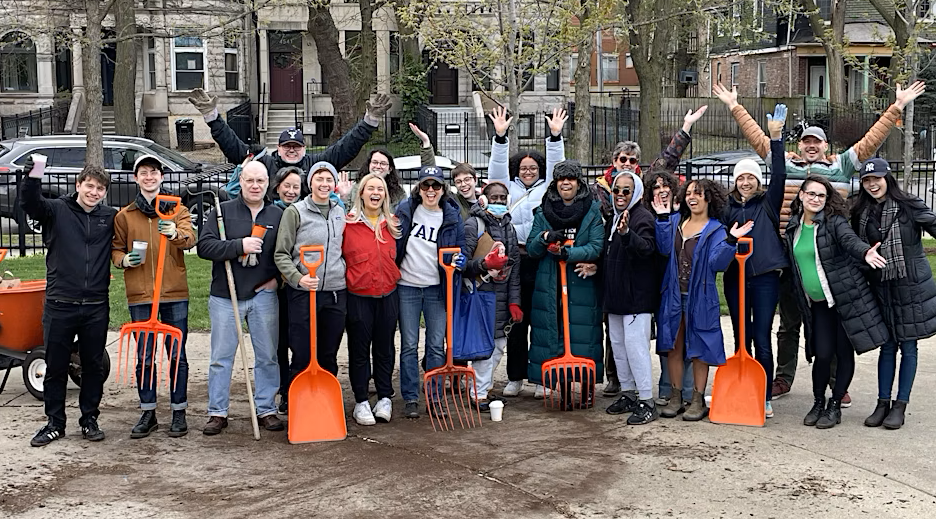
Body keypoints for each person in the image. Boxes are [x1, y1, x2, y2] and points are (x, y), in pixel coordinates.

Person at [713, 81, 926, 405]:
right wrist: (734, 105)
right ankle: (783, 377)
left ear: (826, 145)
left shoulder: (841, 165)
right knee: (788, 322)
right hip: (789, 256)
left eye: (817, 142)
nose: (811, 146)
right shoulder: (785, 164)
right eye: (806, 142)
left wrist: (896, 107)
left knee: (833, 321)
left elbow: (871, 140)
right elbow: (759, 137)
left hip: (830, 258)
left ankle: (836, 383)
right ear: (800, 145)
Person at [590, 107, 707, 397]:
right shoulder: (601, 190)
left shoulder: (643, 196)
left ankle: (653, 391)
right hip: (615, 266)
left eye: (633, 160)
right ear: (614, 162)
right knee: (615, 335)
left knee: (638, 337)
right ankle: (618, 380)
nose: (628, 164)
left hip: (642, 266)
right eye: (622, 159)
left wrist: (685, 128)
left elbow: (669, 159)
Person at [21, 160, 116, 447]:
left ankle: (89, 419)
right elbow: (31, 203)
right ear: (78, 185)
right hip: (60, 303)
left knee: (93, 366)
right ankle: (55, 423)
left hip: (95, 305)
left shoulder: (109, 217)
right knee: (56, 366)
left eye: (100, 189)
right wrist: (33, 174)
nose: (94, 192)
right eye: (90, 186)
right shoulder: (57, 210)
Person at [785, 174, 889, 429]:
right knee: (822, 354)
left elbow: (849, 241)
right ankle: (818, 402)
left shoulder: (834, 222)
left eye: (821, 195)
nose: (816, 199)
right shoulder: (794, 226)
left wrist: (865, 252)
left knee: (843, 353)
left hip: (845, 300)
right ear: (801, 195)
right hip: (818, 304)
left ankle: (835, 405)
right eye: (811, 194)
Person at [651, 179, 753, 421]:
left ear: (709, 198)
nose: (691, 197)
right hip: (673, 295)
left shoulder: (716, 229)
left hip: (701, 297)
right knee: (673, 346)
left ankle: (697, 399)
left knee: (699, 349)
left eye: (697, 193)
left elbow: (717, 263)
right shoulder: (675, 221)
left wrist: (731, 241)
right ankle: (675, 397)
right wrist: (663, 219)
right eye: (688, 193)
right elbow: (663, 249)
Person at [112, 155, 197, 438]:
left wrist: (174, 233)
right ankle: (148, 412)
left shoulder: (177, 209)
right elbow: (115, 249)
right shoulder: (124, 216)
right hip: (141, 294)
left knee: (177, 356)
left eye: (154, 172)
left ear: (161, 176)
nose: (149, 177)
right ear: (135, 178)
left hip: (173, 292)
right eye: (143, 173)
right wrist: (124, 260)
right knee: (145, 356)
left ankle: (179, 411)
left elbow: (190, 238)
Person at [197, 161, 284, 435]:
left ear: (268, 183)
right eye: (249, 180)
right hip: (226, 295)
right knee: (221, 357)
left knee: (267, 355)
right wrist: (239, 246)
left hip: (263, 295)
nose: (255, 186)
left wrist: (278, 280)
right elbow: (204, 246)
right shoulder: (223, 212)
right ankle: (217, 412)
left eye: (260, 181)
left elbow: (287, 252)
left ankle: (266, 409)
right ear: (241, 182)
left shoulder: (277, 215)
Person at [487, 106, 567, 398]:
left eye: (533, 168)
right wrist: (500, 137)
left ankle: (543, 378)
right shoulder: (507, 189)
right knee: (516, 320)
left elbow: (558, 166)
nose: (529, 171)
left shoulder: (548, 189)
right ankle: (516, 376)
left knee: (544, 320)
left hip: (542, 259)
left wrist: (554, 137)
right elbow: (496, 170)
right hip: (515, 261)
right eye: (523, 168)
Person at [851, 159, 936, 430]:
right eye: (866, 180)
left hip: (911, 286)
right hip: (880, 285)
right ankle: (882, 403)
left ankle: (900, 405)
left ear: (887, 178)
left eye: (876, 178)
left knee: (908, 346)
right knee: (886, 345)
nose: (872, 184)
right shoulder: (861, 210)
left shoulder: (909, 205)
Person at [720, 104, 789, 418]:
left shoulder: (768, 203)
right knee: (740, 334)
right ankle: (741, 387)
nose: (745, 182)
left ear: (758, 181)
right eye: (740, 178)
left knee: (761, 336)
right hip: (735, 277)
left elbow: (781, 173)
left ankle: (764, 395)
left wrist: (776, 139)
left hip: (763, 277)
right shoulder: (727, 208)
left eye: (750, 177)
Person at [187, 87, 391, 189]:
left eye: (296, 146)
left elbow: (347, 146)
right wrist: (212, 117)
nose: (292, 150)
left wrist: (369, 121)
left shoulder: (316, 165)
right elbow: (233, 147)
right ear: (278, 147)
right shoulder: (263, 163)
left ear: (304, 148)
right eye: (287, 146)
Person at [527, 160, 604, 407]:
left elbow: (596, 246)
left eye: (570, 179)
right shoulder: (544, 211)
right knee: (556, 333)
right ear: (555, 183)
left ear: (578, 182)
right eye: (561, 179)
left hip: (581, 282)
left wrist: (568, 254)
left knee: (584, 333)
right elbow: (532, 248)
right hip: (550, 282)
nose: (566, 183)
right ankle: (564, 388)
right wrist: (545, 237)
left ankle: (587, 386)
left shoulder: (592, 211)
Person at [274, 162, 347, 413]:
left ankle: (325, 405)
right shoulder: (295, 212)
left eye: (329, 179)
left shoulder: (339, 211)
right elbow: (281, 254)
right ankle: (295, 402)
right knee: (303, 352)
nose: (324, 184)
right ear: (310, 183)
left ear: (334, 184)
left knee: (328, 353)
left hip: (335, 292)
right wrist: (298, 278)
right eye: (319, 179)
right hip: (303, 293)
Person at [394, 166, 466, 418]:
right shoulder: (405, 211)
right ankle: (411, 398)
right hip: (407, 286)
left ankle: (434, 397)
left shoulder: (451, 216)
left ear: (443, 189)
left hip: (437, 287)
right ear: (419, 188)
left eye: (436, 185)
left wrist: (461, 261)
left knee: (436, 345)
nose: (431, 190)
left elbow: (461, 248)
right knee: (409, 344)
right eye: (426, 185)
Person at [600, 170, 660, 424]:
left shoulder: (642, 217)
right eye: (616, 190)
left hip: (636, 296)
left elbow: (647, 249)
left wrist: (627, 235)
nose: (620, 195)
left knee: (636, 349)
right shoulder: (614, 218)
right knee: (619, 347)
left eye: (627, 190)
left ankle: (646, 400)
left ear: (636, 192)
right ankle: (628, 392)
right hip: (616, 296)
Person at [342, 173, 402, 424]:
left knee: (385, 348)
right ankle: (361, 401)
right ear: (361, 193)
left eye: (380, 189)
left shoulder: (393, 224)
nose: (375, 193)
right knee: (359, 349)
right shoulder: (348, 224)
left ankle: (385, 397)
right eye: (371, 188)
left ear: (385, 195)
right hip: (359, 296)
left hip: (388, 294)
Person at [461, 181, 520, 411]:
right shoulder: (473, 225)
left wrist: (515, 301)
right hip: (480, 295)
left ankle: (482, 387)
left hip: (502, 298)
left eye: (502, 198)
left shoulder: (509, 228)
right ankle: (478, 394)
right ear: (483, 200)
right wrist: (484, 264)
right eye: (494, 198)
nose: (498, 202)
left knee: (498, 346)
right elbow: (462, 264)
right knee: (484, 349)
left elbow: (514, 267)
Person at [642, 169, 693, 406]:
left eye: (665, 186)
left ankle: (688, 391)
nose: (661, 191)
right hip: (656, 284)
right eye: (656, 187)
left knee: (687, 338)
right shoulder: (646, 215)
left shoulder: (683, 215)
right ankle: (667, 387)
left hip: (678, 284)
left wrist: (669, 216)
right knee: (667, 338)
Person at [339, 123, 432, 212]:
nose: (378, 166)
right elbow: (345, 217)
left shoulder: (398, 194)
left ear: (390, 169)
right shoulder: (355, 190)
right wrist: (344, 197)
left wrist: (426, 143)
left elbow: (429, 176)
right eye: (375, 162)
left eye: (383, 163)